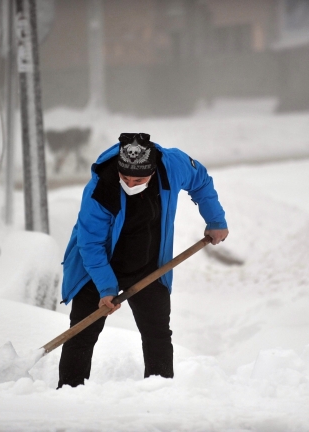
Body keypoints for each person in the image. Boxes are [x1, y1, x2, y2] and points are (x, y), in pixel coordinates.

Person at [57, 132, 228, 388]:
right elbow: (90, 244)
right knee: (82, 331)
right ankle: (68, 393)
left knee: (157, 333)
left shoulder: (172, 166)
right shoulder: (100, 188)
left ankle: (159, 392)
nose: (130, 183)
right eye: (125, 177)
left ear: (153, 170)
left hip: (147, 264)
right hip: (97, 266)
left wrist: (215, 220)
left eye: (138, 179)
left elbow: (201, 180)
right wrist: (106, 288)